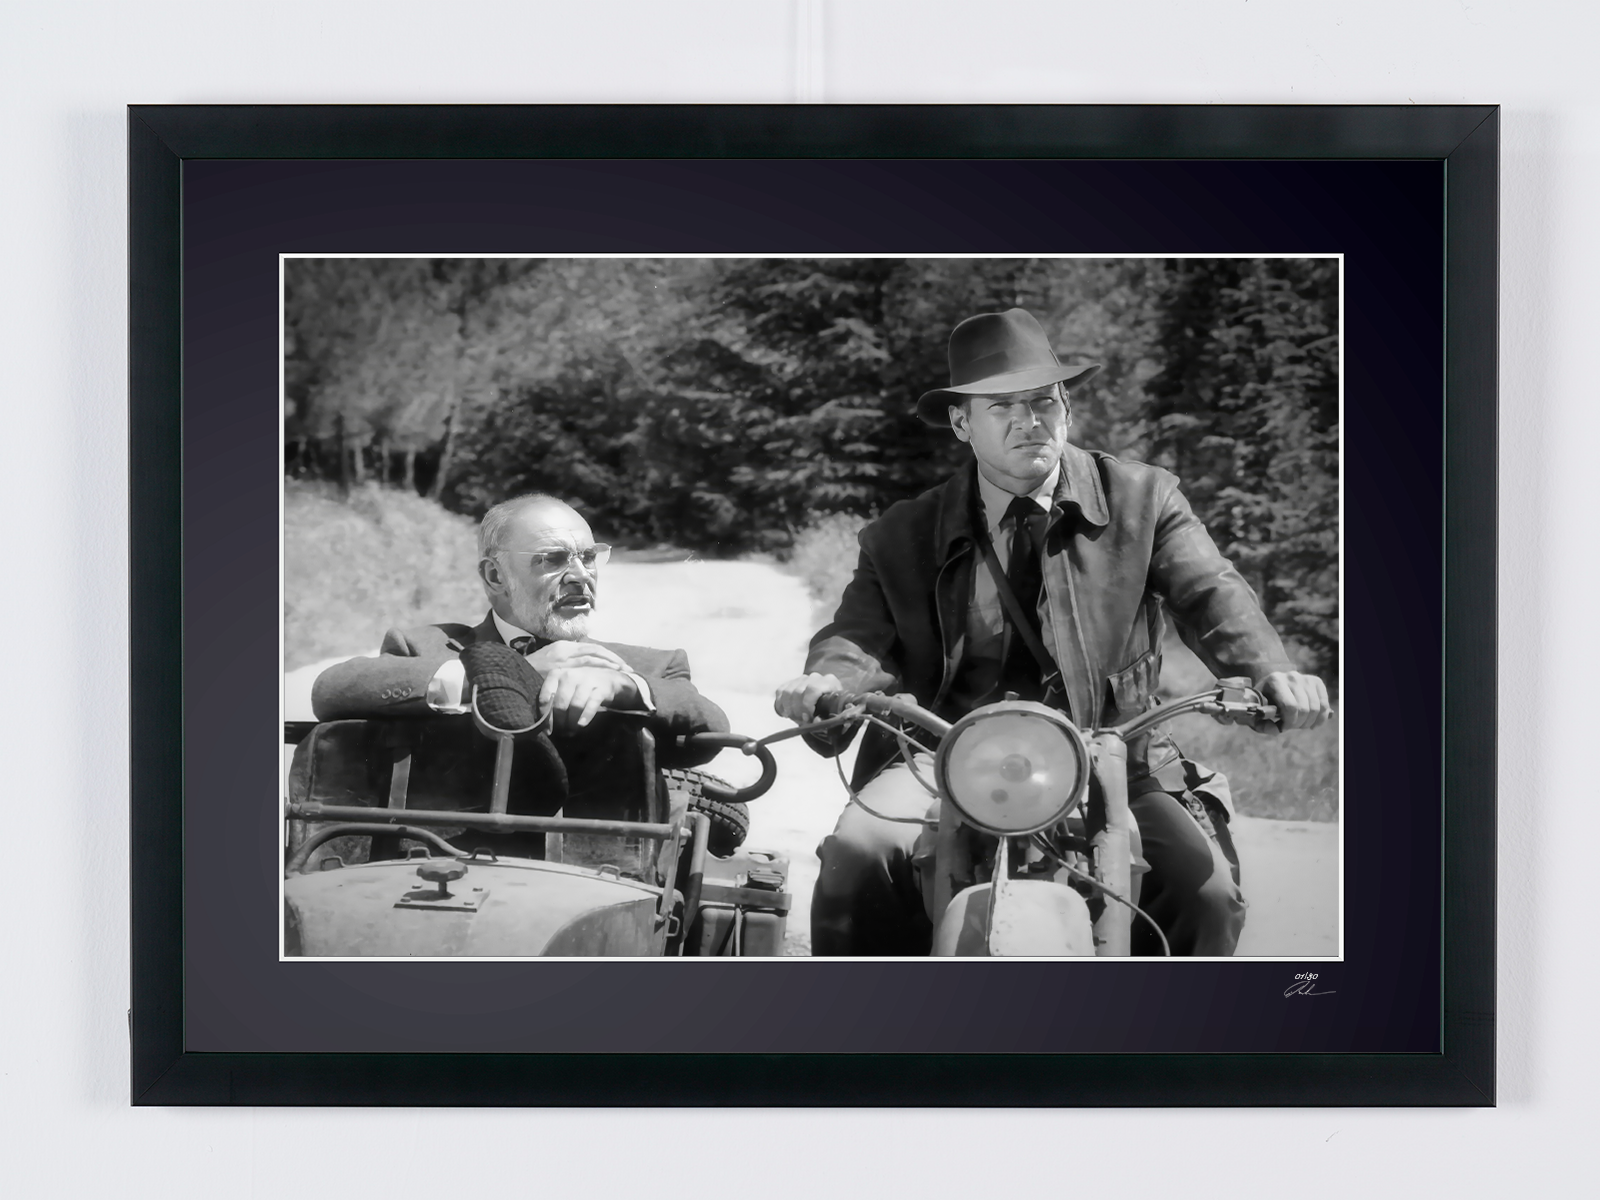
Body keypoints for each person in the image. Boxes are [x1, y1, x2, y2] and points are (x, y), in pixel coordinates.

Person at [774, 308, 1332, 957]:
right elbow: (857, 636)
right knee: (858, 855)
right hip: (944, 752)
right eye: (1002, 406)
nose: (1029, 420)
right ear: (962, 423)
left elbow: (1212, 592)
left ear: (1066, 406)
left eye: (1043, 401)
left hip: (1110, 749)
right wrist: (827, 684)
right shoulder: (901, 534)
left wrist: (1269, 672)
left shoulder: (1143, 499)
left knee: (1202, 894)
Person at [313, 493, 728, 764]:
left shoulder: (645, 667)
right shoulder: (426, 648)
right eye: (553, 559)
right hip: (441, 859)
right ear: (495, 576)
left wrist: (626, 686)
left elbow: (710, 726)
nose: (581, 576)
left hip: (601, 868)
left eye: (588, 557)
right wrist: (501, 674)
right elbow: (331, 691)